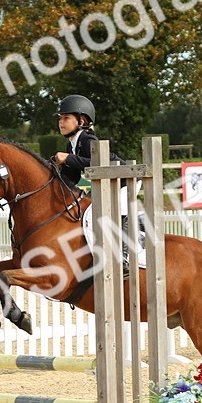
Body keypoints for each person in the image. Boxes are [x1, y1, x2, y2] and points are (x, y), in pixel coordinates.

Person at [50, 94, 135, 275]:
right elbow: (71, 178)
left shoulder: (89, 140)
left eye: (66, 118)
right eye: (60, 118)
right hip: (107, 184)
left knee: (119, 214)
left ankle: (124, 259)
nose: (61, 122)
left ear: (81, 121)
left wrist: (69, 159)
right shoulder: (72, 145)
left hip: (125, 181)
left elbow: (96, 163)